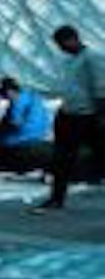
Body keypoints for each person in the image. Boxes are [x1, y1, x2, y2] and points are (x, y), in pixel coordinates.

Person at [35, 23, 105, 212]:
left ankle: (57, 198)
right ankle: (56, 198)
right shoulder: (69, 61)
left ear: (73, 39)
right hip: (68, 113)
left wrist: (100, 115)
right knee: (61, 158)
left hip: (87, 116)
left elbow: (101, 87)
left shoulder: (92, 58)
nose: (60, 48)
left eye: (62, 44)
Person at [0, 77, 52, 173]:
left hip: (24, 136)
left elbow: (15, 123)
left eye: (3, 93)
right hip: (39, 134)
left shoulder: (18, 102)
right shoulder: (32, 96)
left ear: (9, 91)